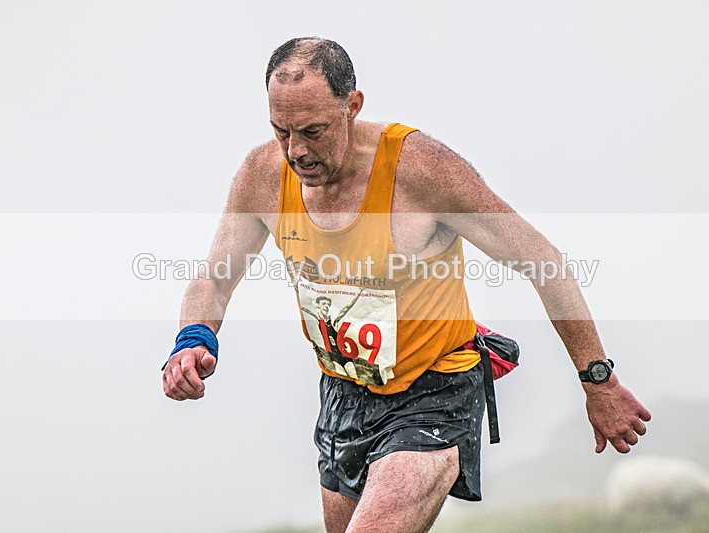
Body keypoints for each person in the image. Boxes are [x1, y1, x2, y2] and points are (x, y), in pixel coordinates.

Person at [161, 37, 651, 533]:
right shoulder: (263, 174)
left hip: (433, 390)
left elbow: (543, 261)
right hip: (343, 393)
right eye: (281, 131)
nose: (297, 152)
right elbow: (214, 277)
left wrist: (598, 380)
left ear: (352, 107)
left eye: (313, 131)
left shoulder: (418, 171)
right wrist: (193, 339)